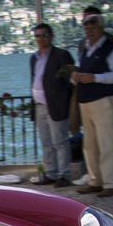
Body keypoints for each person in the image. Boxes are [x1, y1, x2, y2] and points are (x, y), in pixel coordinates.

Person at [72, 13, 113, 197]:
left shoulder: (112, 49)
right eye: (86, 28)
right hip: (86, 100)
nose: (89, 31)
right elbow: (80, 70)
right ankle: (95, 180)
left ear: (101, 28)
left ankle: (111, 183)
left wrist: (95, 78)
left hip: (103, 100)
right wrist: (76, 77)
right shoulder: (84, 49)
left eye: (92, 28)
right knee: (90, 145)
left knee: (107, 143)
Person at [30, 23, 75, 187]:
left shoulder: (61, 55)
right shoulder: (34, 58)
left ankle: (64, 174)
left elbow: (70, 81)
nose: (41, 39)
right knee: (46, 142)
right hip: (39, 104)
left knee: (60, 141)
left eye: (44, 35)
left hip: (56, 105)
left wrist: (65, 103)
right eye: (38, 35)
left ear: (51, 36)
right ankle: (51, 173)